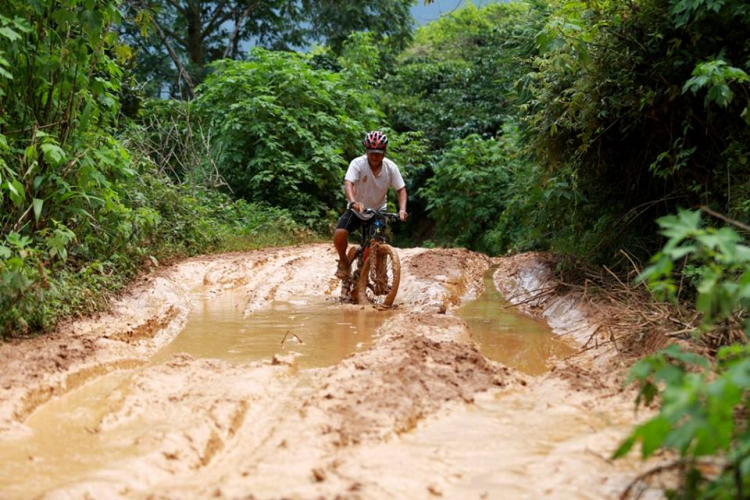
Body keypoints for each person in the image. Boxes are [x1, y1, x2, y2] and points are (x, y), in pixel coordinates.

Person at [334, 130, 408, 279]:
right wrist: (353, 201)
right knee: (340, 233)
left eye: (378, 153)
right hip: (357, 210)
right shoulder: (357, 164)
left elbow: (401, 190)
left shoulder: (391, 168)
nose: (375, 156)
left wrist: (402, 210)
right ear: (366, 151)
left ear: (384, 152)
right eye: (372, 152)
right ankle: (343, 261)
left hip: (378, 211)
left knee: (376, 244)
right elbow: (348, 183)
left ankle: (379, 275)